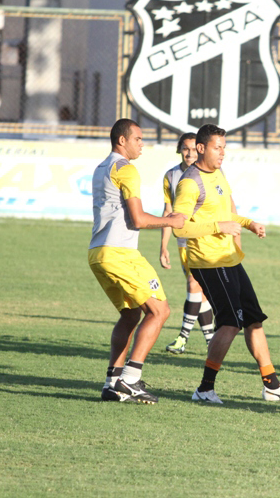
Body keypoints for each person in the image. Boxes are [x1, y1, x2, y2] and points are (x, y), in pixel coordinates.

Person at [172, 124, 280, 404]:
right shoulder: (189, 182)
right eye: (217, 148)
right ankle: (205, 389)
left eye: (224, 148)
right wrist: (219, 226)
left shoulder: (219, 173)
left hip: (229, 259)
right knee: (231, 323)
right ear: (200, 148)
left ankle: (272, 385)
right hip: (209, 263)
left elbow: (226, 213)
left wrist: (248, 223)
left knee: (254, 320)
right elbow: (179, 228)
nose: (222, 153)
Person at [90, 118, 186, 404]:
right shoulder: (126, 169)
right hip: (121, 253)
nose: (142, 144)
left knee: (131, 314)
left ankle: (111, 383)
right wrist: (170, 220)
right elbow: (138, 219)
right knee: (160, 311)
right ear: (122, 140)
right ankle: (130, 380)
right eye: (138, 139)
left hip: (98, 253)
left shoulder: (101, 167)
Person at [161, 133, 215, 354]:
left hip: (205, 239)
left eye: (194, 148)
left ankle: (183, 338)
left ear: (201, 149)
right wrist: (163, 246)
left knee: (195, 285)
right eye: (185, 148)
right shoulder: (171, 176)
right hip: (183, 241)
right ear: (179, 150)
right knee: (198, 290)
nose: (190, 153)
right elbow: (168, 212)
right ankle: (212, 341)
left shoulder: (210, 173)